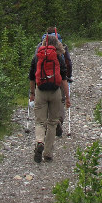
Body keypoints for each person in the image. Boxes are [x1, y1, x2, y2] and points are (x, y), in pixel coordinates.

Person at [28, 33, 70, 163]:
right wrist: (67, 98)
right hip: (55, 92)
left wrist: (32, 94)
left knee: (40, 122)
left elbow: (32, 78)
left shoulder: (37, 56)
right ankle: (47, 153)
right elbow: (64, 80)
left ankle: (39, 141)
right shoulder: (59, 57)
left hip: (40, 91)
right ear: (56, 43)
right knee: (52, 122)